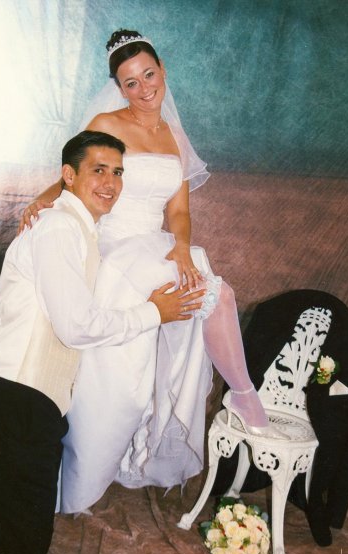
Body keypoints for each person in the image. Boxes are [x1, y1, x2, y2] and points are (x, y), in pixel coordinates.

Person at [21, 30, 288, 516]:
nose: (143, 89)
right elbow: (78, 175)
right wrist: (42, 201)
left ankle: (240, 395)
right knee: (131, 378)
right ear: (118, 88)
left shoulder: (175, 136)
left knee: (215, 295)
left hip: (157, 245)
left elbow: (179, 212)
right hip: (116, 248)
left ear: (163, 71)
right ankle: (238, 397)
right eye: (130, 83)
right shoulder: (107, 123)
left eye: (148, 75)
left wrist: (182, 247)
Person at [0, 130, 203, 554]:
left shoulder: (77, 229)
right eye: (98, 170)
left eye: (118, 172)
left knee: (8, 507)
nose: (111, 183)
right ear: (69, 175)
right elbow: (77, 326)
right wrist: (154, 313)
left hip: (24, 400)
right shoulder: (60, 228)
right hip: (16, 398)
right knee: (25, 541)